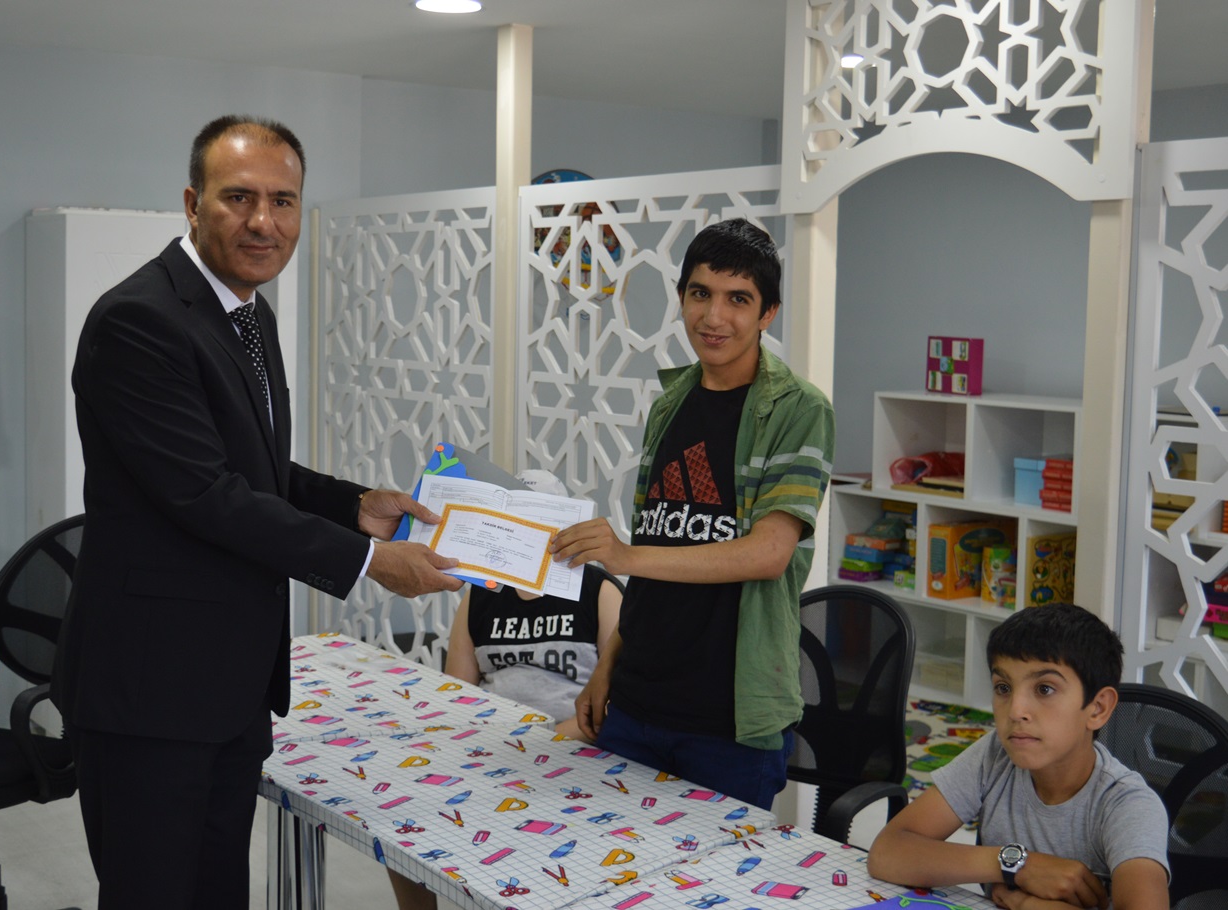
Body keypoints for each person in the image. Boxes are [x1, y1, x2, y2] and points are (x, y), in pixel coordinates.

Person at [51, 115, 463, 910]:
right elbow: (208, 495)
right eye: (238, 197)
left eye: (283, 201)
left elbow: (253, 469)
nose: (263, 222)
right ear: (192, 203)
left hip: (229, 686)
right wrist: (371, 562)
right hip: (152, 693)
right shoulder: (140, 320)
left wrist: (354, 507)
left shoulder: (247, 312)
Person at [550, 217, 835, 810]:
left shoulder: (799, 410)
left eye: (738, 299)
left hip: (728, 722)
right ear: (681, 297)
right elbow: (661, 551)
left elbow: (769, 552)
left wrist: (624, 556)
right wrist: (607, 666)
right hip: (635, 703)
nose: (714, 317)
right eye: (700, 293)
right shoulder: (672, 401)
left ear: (768, 313)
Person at [388, 471, 624, 910]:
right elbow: (457, 694)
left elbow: (614, 701)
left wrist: (544, 742)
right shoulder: (481, 596)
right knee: (403, 807)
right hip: (496, 747)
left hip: (574, 749)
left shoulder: (598, 590)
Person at [867, 603, 1170, 910]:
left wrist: (1027, 904)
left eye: (1045, 689)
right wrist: (1018, 864)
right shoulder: (996, 756)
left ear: (1098, 708)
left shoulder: (1127, 805)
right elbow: (887, 852)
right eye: (1003, 687)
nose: (1015, 710)